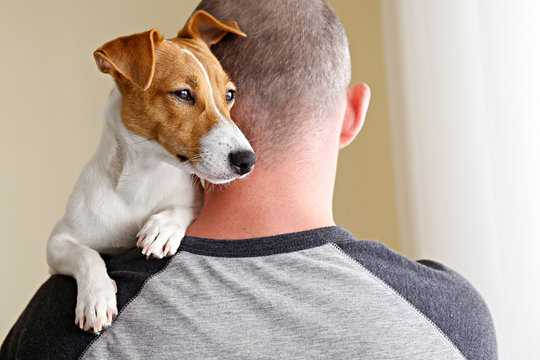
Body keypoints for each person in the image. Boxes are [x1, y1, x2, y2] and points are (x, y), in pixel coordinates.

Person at [0, 0, 497, 359]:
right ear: (352, 114)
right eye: (186, 96)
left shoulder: (63, 324)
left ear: (234, 112)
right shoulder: (452, 318)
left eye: (227, 98)